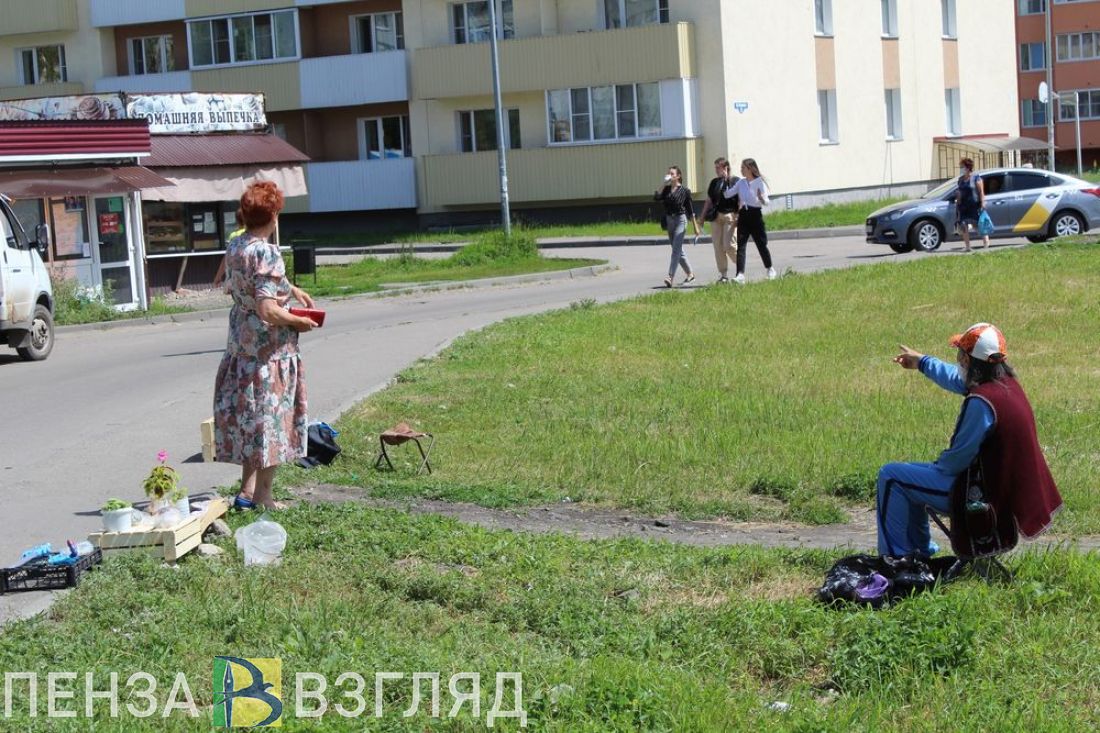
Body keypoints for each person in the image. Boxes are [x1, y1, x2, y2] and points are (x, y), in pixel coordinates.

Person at [876, 323, 1062, 558]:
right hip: (1002, 491)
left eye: (959, 355)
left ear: (965, 359)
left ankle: (894, 559)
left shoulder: (981, 403)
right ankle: (920, 551)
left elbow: (954, 461)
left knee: (891, 476)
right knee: (909, 476)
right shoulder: (1006, 385)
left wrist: (934, 468)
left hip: (980, 498)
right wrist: (922, 361)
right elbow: (957, 379)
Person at [213, 181, 317, 510]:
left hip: (242, 347)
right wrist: (298, 320)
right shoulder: (267, 251)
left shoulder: (236, 247)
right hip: (269, 350)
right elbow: (268, 309)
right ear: (274, 215)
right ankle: (264, 498)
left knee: (251, 420)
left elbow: (241, 286)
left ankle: (247, 490)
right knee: (271, 422)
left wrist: (292, 289)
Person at [726, 158, 775, 283]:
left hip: (755, 215)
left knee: (761, 244)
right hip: (743, 215)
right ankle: (740, 275)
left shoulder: (759, 182)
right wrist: (726, 179)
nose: (741, 170)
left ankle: (770, 269)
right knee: (741, 246)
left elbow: (767, 202)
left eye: (743, 168)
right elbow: (728, 194)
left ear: (749, 169)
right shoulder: (741, 183)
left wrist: (761, 198)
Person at [654, 165, 700, 288]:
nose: (670, 175)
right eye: (669, 173)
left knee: (675, 250)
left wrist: (695, 227)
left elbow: (690, 210)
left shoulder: (685, 191)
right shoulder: (667, 189)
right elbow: (656, 197)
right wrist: (664, 184)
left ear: (678, 176)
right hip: (670, 221)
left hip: (681, 220)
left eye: (672, 173)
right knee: (678, 249)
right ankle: (690, 274)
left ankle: (670, 276)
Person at [699, 157, 739, 283]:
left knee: (729, 245)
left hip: (730, 216)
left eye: (718, 167)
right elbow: (709, 200)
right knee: (718, 246)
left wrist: (739, 215)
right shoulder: (714, 182)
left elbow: (739, 198)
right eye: (715, 167)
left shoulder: (734, 181)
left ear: (726, 167)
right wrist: (702, 216)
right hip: (716, 217)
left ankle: (740, 268)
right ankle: (724, 275)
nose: (716, 170)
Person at [955, 158, 989, 252]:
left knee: (978, 225)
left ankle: (986, 242)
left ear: (968, 167)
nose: (961, 169)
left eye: (962, 167)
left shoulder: (976, 178)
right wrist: (958, 199)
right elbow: (960, 191)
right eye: (960, 167)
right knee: (963, 224)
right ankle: (968, 246)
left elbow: (981, 192)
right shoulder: (960, 180)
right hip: (963, 206)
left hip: (974, 205)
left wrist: (983, 202)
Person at [212, 209, 246, 290]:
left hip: (237, 276)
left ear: (237, 221)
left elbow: (226, 258)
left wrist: (218, 276)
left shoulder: (233, 236)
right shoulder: (256, 234)